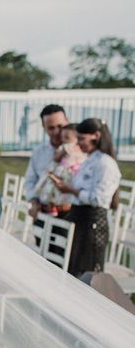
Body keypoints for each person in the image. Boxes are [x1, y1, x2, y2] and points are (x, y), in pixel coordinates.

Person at [51, 118, 121, 277]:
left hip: (92, 223)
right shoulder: (88, 160)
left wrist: (72, 190)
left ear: (96, 136)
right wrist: (65, 188)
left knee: (87, 274)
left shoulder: (105, 163)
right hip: (79, 219)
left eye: (82, 139)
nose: (78, 143)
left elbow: (99, 199)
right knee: (73, 271)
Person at [25, 104, 69, 218]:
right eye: (51, 128)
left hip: (70, 213)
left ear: (67, 121)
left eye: (60, 126)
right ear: (43, 127)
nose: (57, 131)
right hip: (43, 213)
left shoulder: (80, 151)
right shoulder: (38, 152)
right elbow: (30, 181)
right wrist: (33, 200)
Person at [35, 124, 86, 216]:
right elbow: (56, 159)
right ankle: (52, 205)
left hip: (73, 173)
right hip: (63, 171)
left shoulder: (81, 149)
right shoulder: (64, 147)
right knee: (53, 188)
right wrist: (63, 152)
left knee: (65, 191)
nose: (64, 140)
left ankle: (62, 206)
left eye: (67, 137)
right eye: (63, 137)